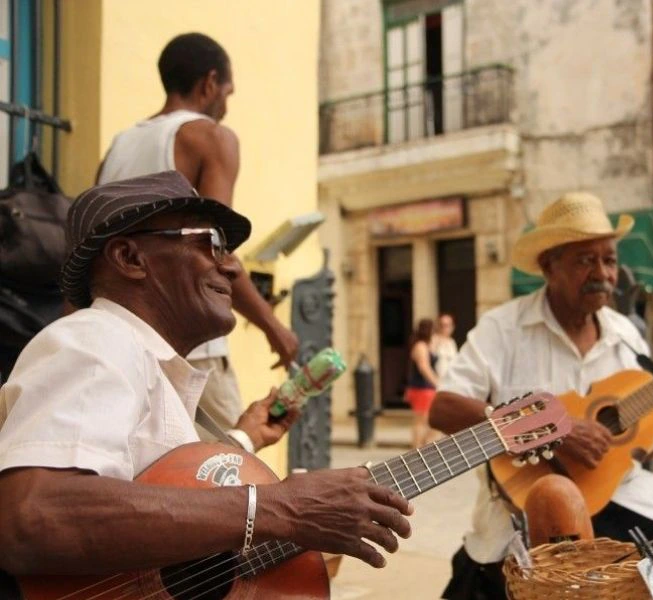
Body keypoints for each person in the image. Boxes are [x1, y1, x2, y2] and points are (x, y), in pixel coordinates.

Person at [0, 172, 412, 579]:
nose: (232, 267)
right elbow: (34, 514)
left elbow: (149, 489)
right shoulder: (97, 340)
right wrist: (281, 507)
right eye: (209, 243)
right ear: (129, 259)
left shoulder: (140, 359)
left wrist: (244, 439)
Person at [429, 192, 653, 599]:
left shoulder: (625, 337)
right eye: (584, 260)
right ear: (548, 265)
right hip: (528, 513)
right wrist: (553, 426)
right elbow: (444, 408)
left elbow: (645, 444)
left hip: (628, 504)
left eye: (609, 260)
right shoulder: (503, 329)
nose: (602, 273)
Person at [96, 32, 298, 439]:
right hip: (189, 347)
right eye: (227, 92)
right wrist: (274, 327)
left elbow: (94, 240)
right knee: (230, 472)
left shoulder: (119, 145)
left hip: (120, 338)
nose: (225, 105)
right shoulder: (211, 137)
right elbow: (214, 252)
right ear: (209, 83)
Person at [405, 318, 439, 449]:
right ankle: (416, 448)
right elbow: (424, 367)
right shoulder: (420, 346)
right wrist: (437, 382)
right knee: (421, 420)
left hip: (426, 388)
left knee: (430, 421)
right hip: (422, 388)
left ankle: (422, 445)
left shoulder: (427, 345)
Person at [432, 313, 458, 379]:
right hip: (437, 381)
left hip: (450, 380)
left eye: (447, 325)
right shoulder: (433, 339)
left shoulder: (452, 342)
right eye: (442, 325)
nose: (444, 328)